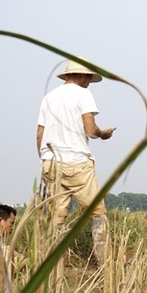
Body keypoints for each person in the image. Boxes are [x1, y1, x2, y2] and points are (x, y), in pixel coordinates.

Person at [36, 59, 115, 263]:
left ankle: (52, 265)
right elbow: (90, 130)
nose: (89, 82)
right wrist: (103, 134)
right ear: (81, 75)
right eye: (88, 77)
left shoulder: (48, 98)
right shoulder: (83, 94)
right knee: (97, 213)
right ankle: (105, 264)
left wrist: (45, 159)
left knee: (56, 217)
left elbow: (40, 134)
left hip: (50, 162)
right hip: (76, 161)